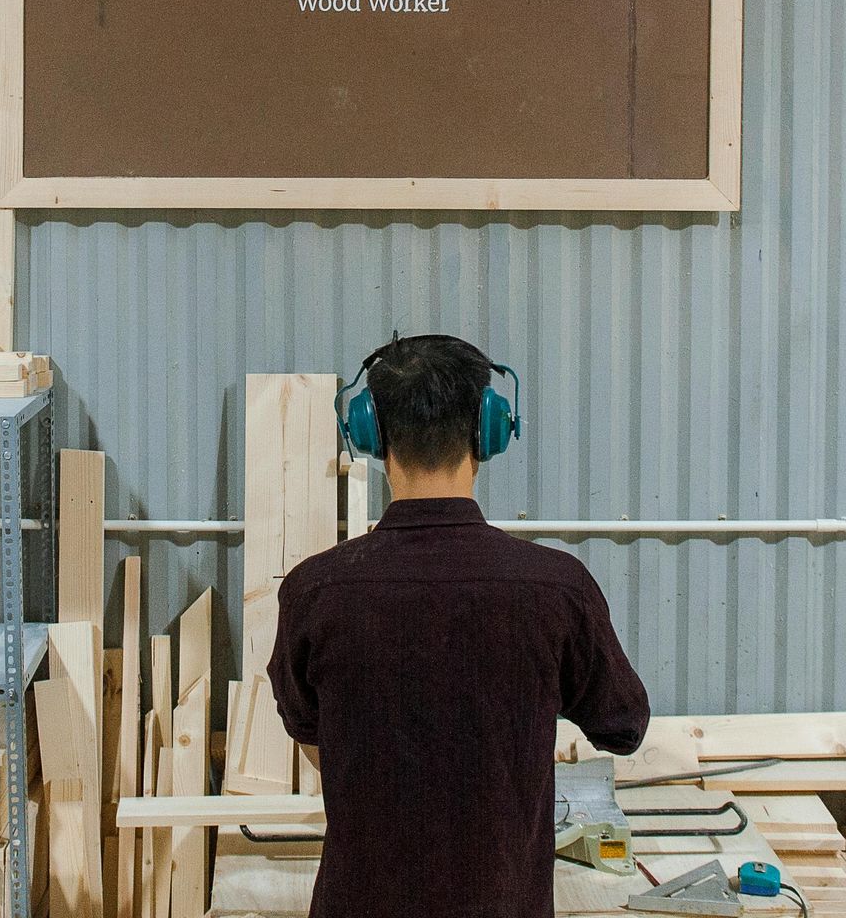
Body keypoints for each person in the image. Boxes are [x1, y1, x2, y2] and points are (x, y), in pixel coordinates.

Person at [267, 333, 650, 918]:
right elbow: (622, 727)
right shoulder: (555, 587)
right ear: (489, 432)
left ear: (368, 433)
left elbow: (308, 731)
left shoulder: (314, 592)